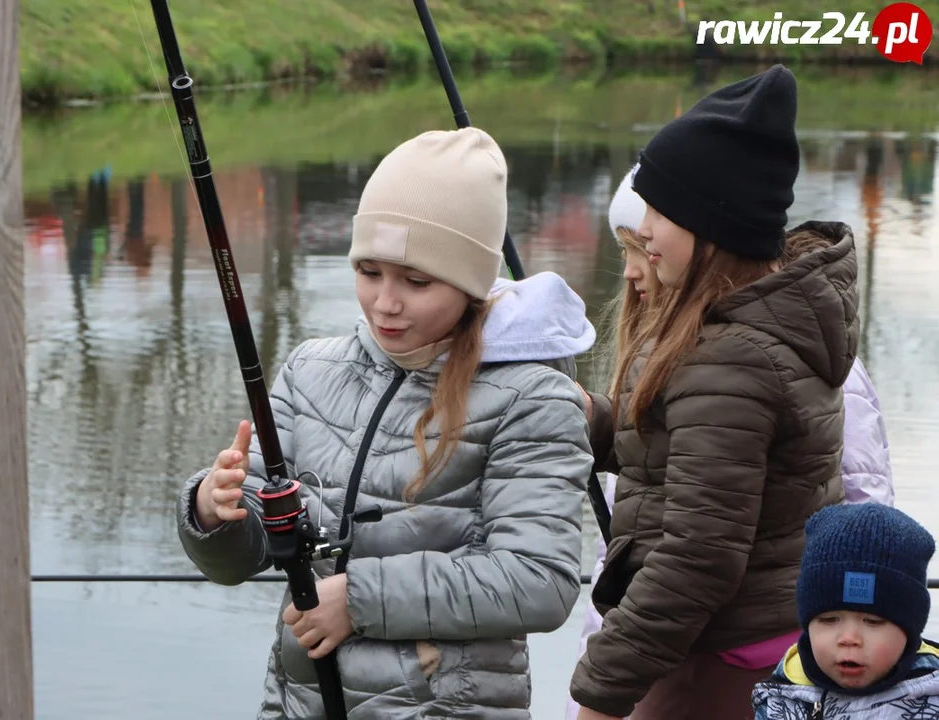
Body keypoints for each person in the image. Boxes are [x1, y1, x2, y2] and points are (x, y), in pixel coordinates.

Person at [176, 126, 598, 719]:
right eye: (369, 272)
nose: (385, 303)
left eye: (416, 281)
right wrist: (212, 512)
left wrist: (358, 600)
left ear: (472, 283)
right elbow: (245, 556)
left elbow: (540, 581)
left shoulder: (533, 399)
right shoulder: (309, 370)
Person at [568, 64, 861, 719]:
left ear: (711, 224)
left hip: (719, 665)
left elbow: (698, 558)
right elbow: (695, 453)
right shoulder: (759, 327)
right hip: (761, 643)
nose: (642, 231)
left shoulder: (729, 357)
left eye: (658, 215)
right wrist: (598, 424)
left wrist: (600, 695)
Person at [752, 503, 939, 717]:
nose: (849, 638)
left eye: (872, 621)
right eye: (829, 619)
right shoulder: (781, 695)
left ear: (910, 629)